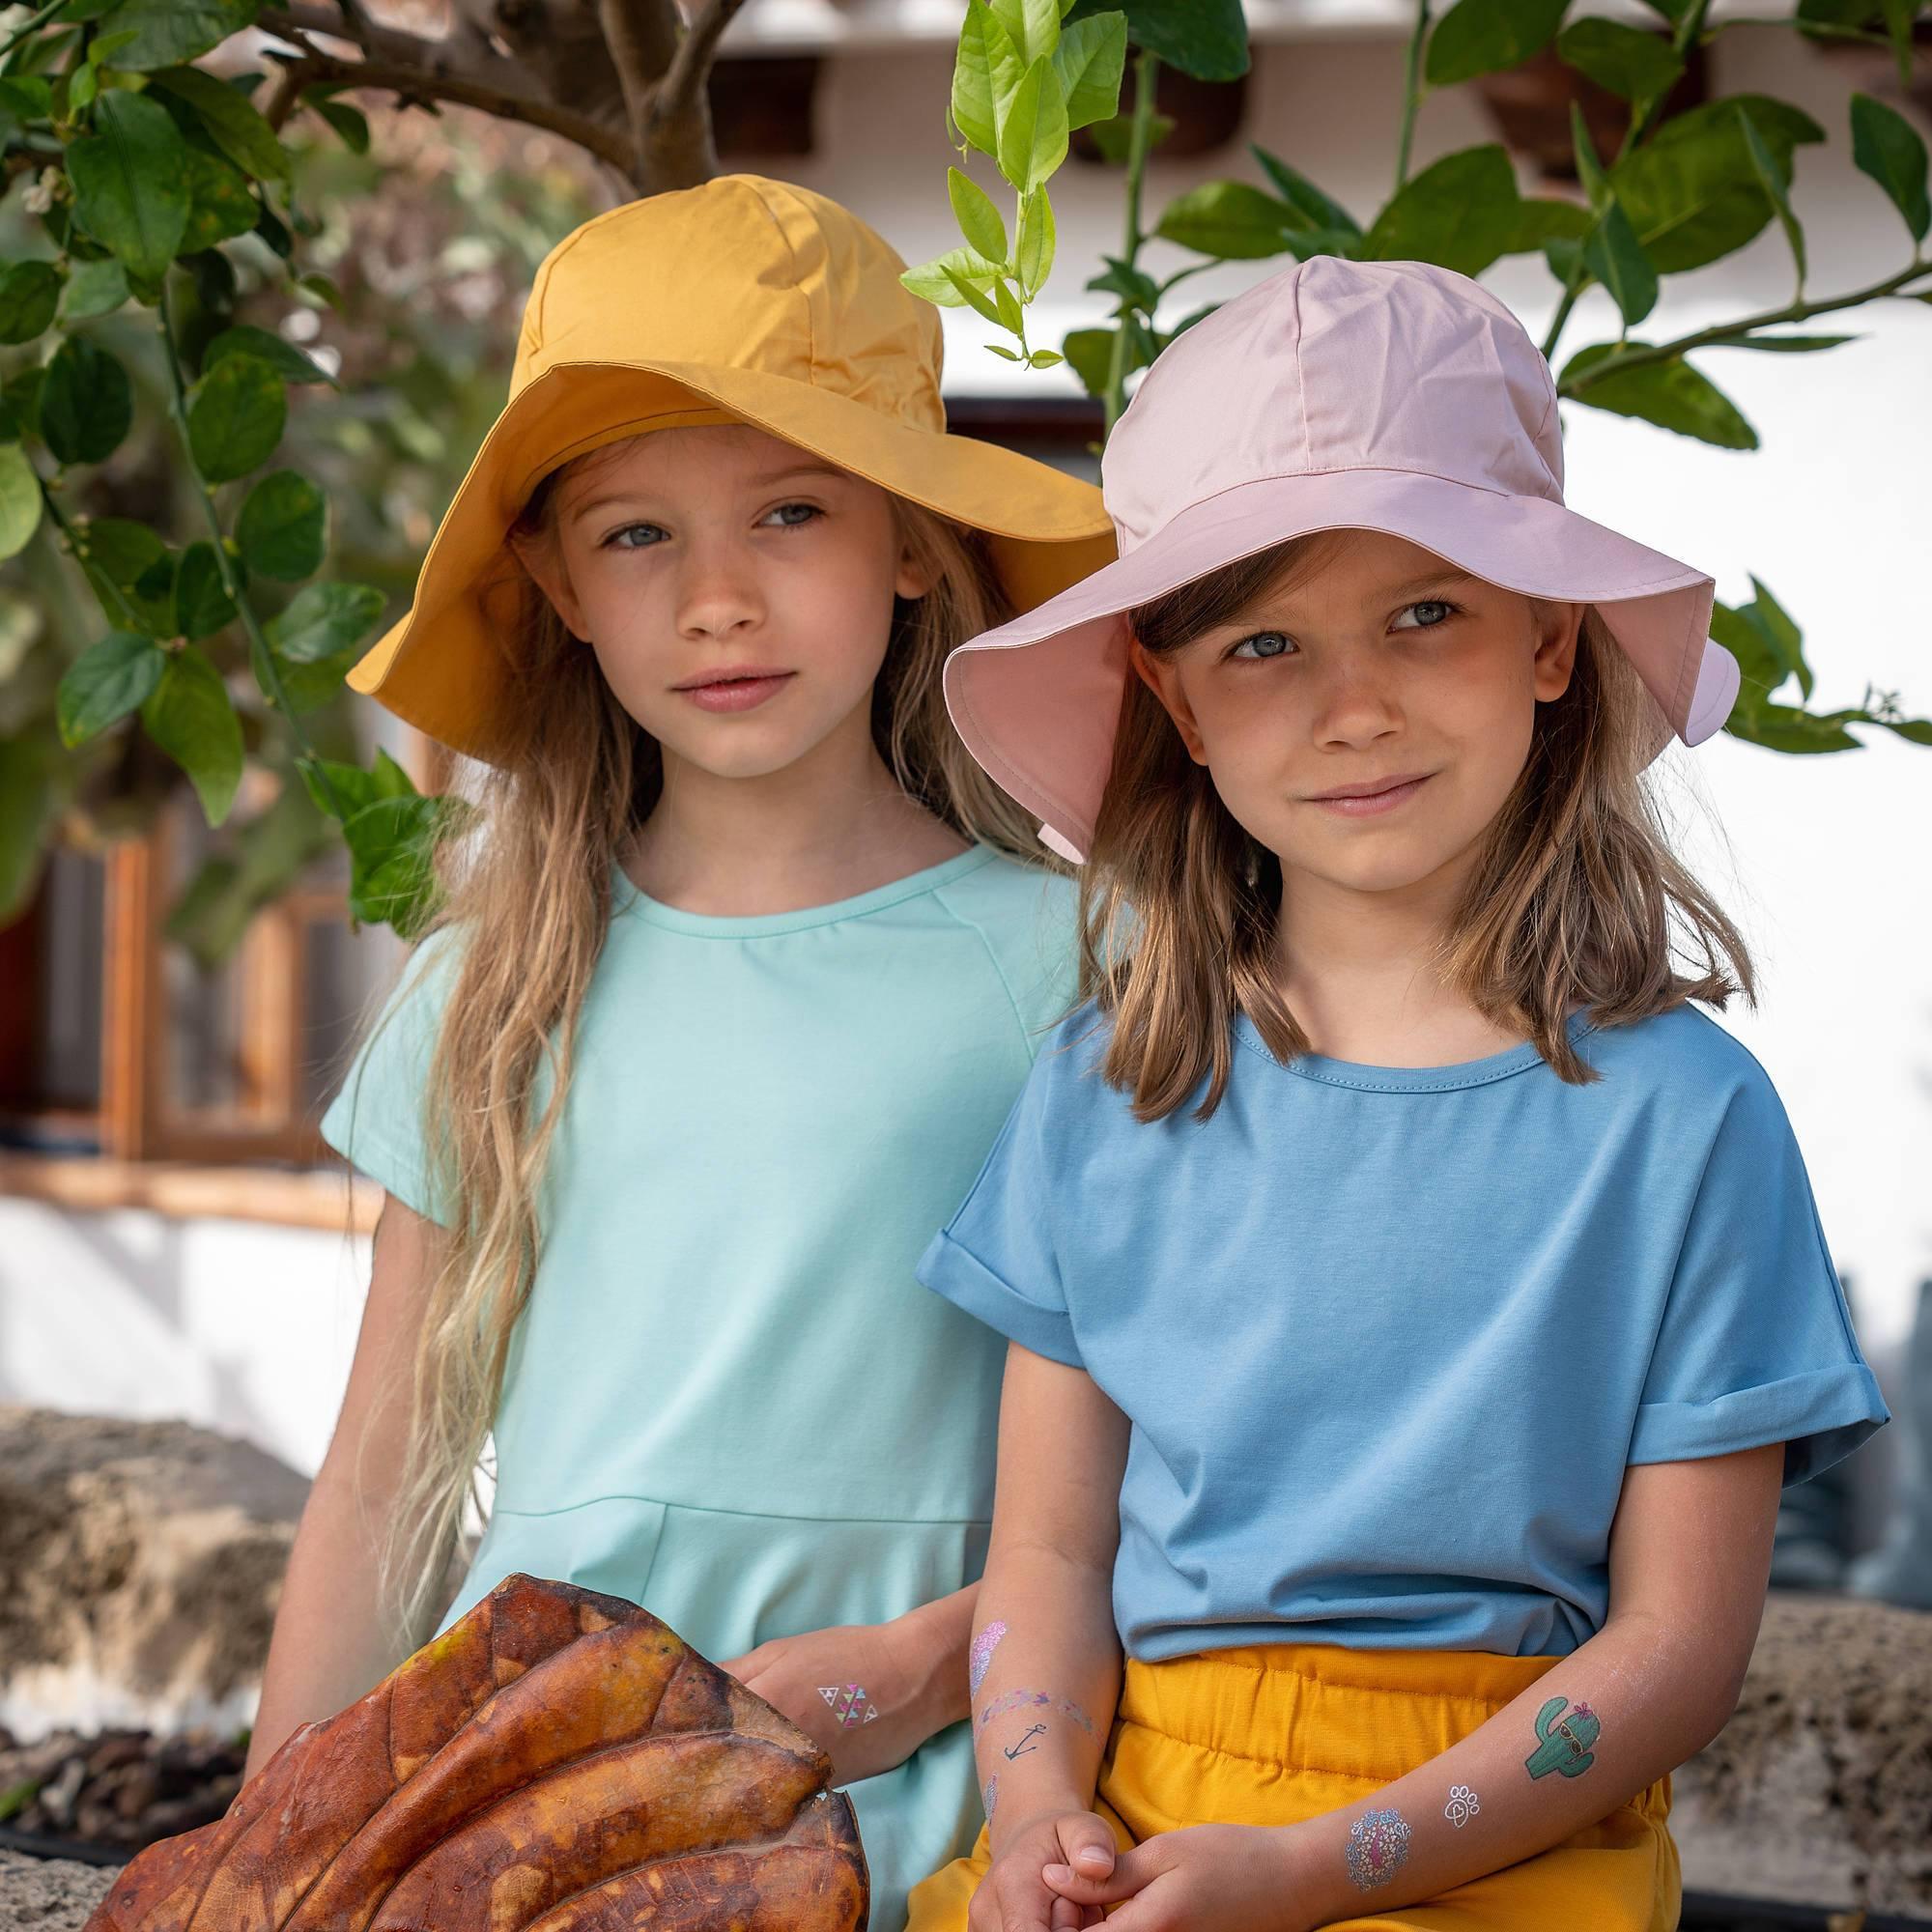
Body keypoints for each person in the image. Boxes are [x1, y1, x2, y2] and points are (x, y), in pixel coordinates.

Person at [903, 256, 1890, 1932]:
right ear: (1175, 702)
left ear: (1551, 644)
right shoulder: (1102, 1088)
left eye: (1425, 613)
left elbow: (1674, 1652)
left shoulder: (1688, 1124)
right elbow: (1053, 1560)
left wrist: (1311, 1870)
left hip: (1509, 1848)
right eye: (1266, 642)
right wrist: (1038, 1817)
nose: (1353, 707)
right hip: (1134, 1834)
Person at [244, 175, 1115, 1932]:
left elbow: (1177, 1466)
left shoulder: (1082, 965)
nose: (717, 598)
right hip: (528, 1798)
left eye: (789, 512)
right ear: (559, 586)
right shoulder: (494, 985)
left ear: (912, 549)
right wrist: (274, 1865)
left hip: (929, 1795)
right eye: (638, 534)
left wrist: (933, 1667)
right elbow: (383, 1481)